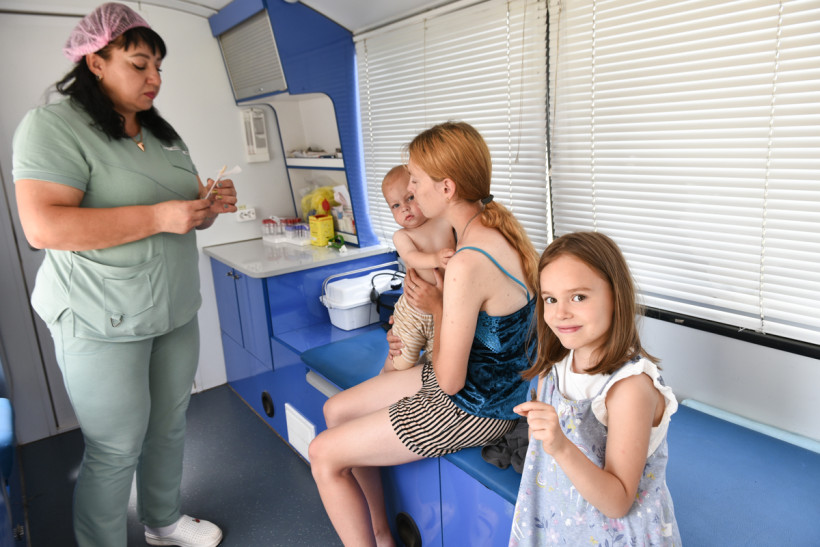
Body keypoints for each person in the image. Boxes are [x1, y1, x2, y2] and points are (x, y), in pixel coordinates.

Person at [12, 4, 236, 546]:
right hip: (100, 318)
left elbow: (180, 211)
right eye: (139, 64)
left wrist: (206, 206)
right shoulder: (54, 127)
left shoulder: (161, 134)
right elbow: (44, 227)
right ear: (95, 62)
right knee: (114, 446)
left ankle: (163, 521)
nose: (154, 77)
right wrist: (160, 217)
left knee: (169, 426)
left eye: (158, 67)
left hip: (173, 310)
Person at [309, 121, 538, 546]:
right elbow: (487, 336)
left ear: (447, 188)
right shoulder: (492, 228)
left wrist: (435, 308)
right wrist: (425, 319)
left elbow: (449, 382)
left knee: (322, 453)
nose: (410, 190)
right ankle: (381, 534)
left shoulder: (469, 258)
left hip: (478, 406)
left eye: (415, 180)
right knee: (335, 410)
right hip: (484, 382)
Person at [508, 231, 681, 546]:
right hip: (558, 527)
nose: (560, 313)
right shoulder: (552, 371)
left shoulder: (630, 388)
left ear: (616, 296)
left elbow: (618, 503)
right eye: (550, 299)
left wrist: (560, 445)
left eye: (578, 297)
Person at [380, 164, 455, 372]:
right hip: (413, 311)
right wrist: (436, 258)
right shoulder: (402, 235)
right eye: (395, 205)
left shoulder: (443, 220)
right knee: (401, 362)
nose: (404, 208)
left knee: (435, 362)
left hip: (444, 308)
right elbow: (411, 257)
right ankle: (385, 377)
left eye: (410, 198)